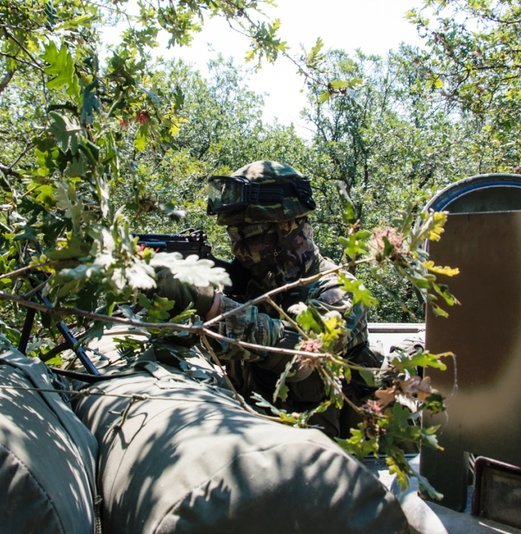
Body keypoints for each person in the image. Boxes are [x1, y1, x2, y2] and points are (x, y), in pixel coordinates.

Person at [155, 160, 380, 439]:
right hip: (254, 442)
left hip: (331, 456)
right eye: (232, 236)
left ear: (288, 229)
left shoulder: (341, 292)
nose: (238, 248)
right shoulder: (252, 285)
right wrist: (166, 300)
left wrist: (209, 302)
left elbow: (297, 355)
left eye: (248, 235)